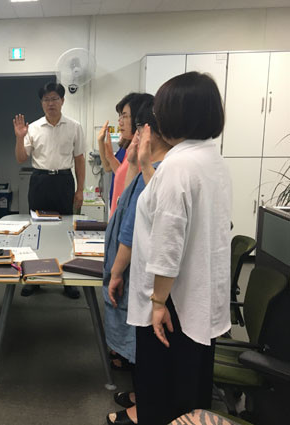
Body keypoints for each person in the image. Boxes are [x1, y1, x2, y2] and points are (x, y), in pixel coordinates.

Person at [127, 72, 231, 425]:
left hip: (172, 300)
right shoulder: (209, 159)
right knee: (190, 392)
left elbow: (169, 241)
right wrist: (145, 165)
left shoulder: (179, 165)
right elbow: (166, 205)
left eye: (161, 109)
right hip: (197, 294)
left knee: (161, 394)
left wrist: (157, 303)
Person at [102, 97, 172, 425]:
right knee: (138, 339)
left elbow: (131, 228)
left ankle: (143, 407)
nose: (122, 123)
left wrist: (116, 271)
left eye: (128, 118)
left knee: (141, 340)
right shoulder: (149, 165)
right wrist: (134, 159)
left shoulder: (159, 172)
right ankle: (140, 396)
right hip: (140, 271)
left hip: (141, 274)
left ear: (146, 129)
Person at [13, 82, 85, 299]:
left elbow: (79, 160)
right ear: (41, 103)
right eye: (46, 99)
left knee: (66, 231)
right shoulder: (33, 128)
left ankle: (67, 281)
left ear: (62, 101)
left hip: (64, 181)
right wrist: (19, 137)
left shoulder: (74, 126)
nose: (50, 103)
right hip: (40, 181)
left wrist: (80, 190)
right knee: (38, 230)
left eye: (54, 99)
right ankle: (36, 278)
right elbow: (21, 158)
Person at [98, 93, 153, 218]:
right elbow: (122, 176)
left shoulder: (143, 152)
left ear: (138, 118)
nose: (120, 122)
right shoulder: (131, 148)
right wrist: (109, 155)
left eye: (125, 116)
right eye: (120, 117)